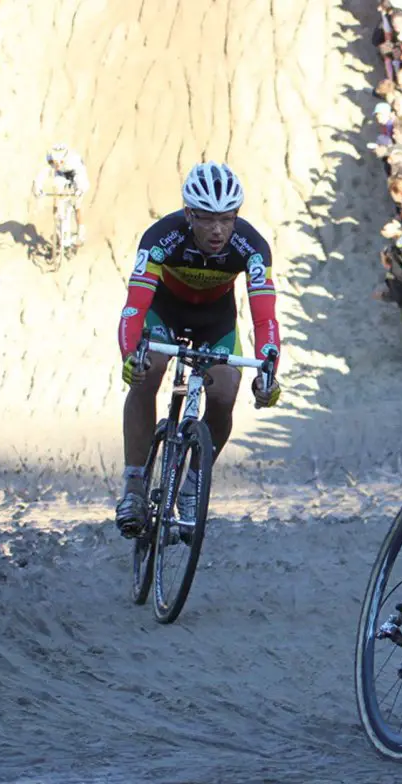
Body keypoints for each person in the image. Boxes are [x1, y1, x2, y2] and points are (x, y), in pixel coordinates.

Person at [114, 163, 283, 537]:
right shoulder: (162, 236)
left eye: (227, 219)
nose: (218, 230)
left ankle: (192, 485)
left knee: (224, 394)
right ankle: (134, 486)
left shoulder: (251, 246)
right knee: (149, 370)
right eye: (207, 220)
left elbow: (264, 317)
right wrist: (130, 354)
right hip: (163, 313)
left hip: (216, 321)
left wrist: (268, 369)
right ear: (189, 214)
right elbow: (134, 307)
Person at [33, 143, 90, 244]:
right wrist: (37, 187)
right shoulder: (50, 159)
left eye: (60, 162)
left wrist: (79, 189)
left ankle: (80, 231)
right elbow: (42, 173)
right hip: (61, 174)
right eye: (55, 162)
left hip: (74, 173)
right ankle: (58, 226)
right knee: (57, 190)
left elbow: (81, 175)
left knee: (77, 204)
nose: (58, 164)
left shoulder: (74, 160)